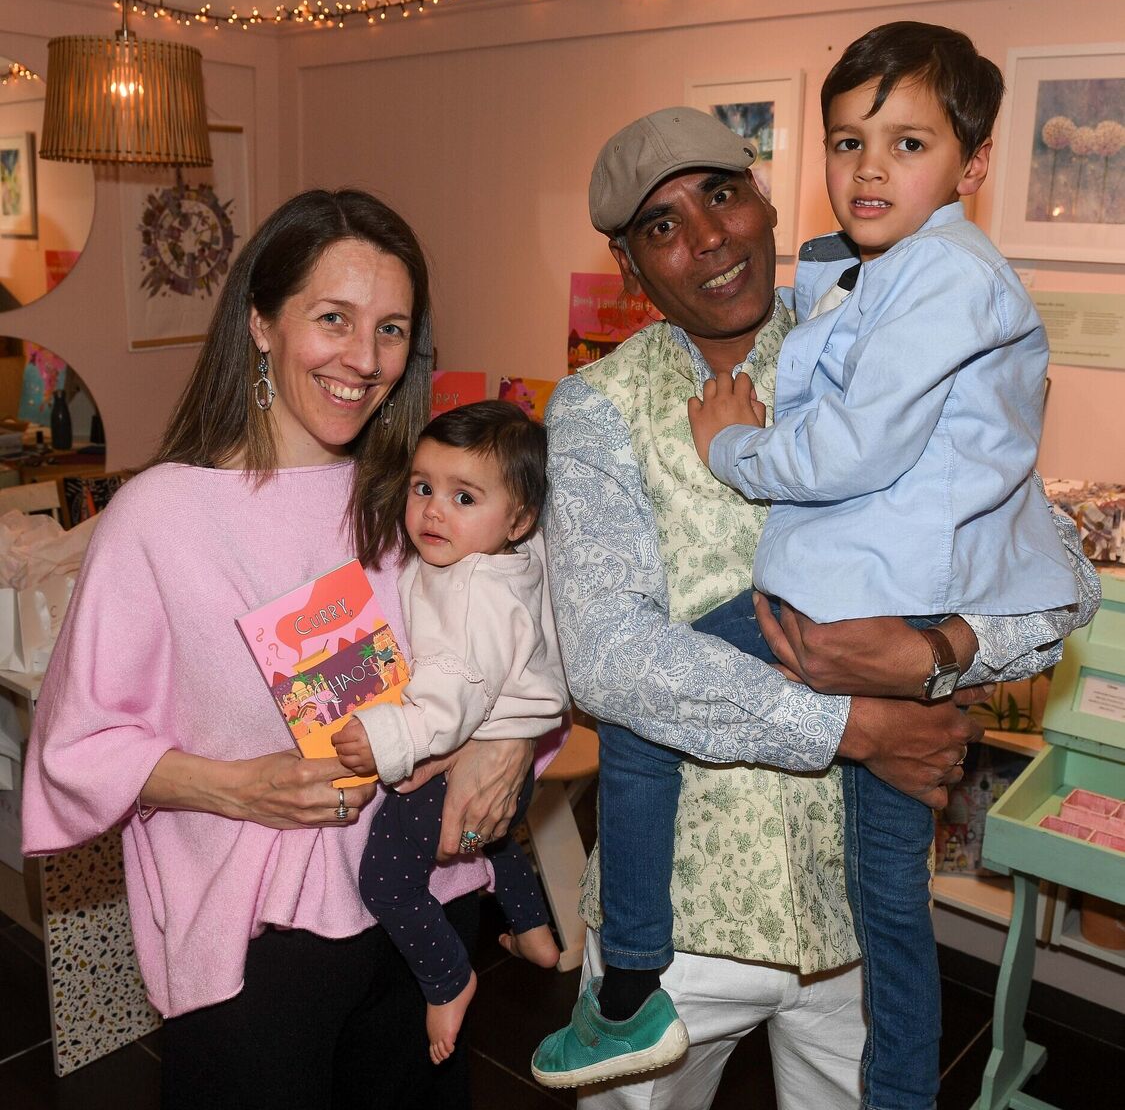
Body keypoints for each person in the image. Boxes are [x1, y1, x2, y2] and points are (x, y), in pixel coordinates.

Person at [532, 107, 1099, 1107]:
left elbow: (1063, 588)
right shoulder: (596, 411)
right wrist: (856, 726)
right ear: (631, 270)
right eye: (662, 226)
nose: (708, 238)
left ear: (763, 201)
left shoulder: (889, 351)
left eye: (721, 195)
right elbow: (612, 660)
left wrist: (940, 650)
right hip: (677, 932)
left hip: (854, 924)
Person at [21, 189, 544, 1110]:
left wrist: (500, 743)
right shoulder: (162, 518)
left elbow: (517, 650)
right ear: (260, 323)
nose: (364, 359)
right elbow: (74, 749)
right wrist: (235, 784)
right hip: (259, 943)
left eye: (391, 329)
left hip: (423, 904)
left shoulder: (418, 502)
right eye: (332, 319)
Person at [683, 21, 1078, 1109]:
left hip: (872, 609)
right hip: (864, 623)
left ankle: (620, 972)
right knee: (891, 905)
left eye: (907, 144)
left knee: (890, 908)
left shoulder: (941, 275)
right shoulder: (878, 275)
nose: (869, 168)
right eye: (849, 141)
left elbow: (858, 451)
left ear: (974, 162)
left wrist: (731, 447)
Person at [331, 400, 568, 1064]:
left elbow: (449, 703)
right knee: (494, 841)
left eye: (464, 497)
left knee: (385, 881)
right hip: (510, 768)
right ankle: (533, 929)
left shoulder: (467, 594)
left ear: (517, 519)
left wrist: (382, 736)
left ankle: (447, 977)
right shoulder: (515, 557)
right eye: (423, 487)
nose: (434, 510)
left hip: (467, 754)